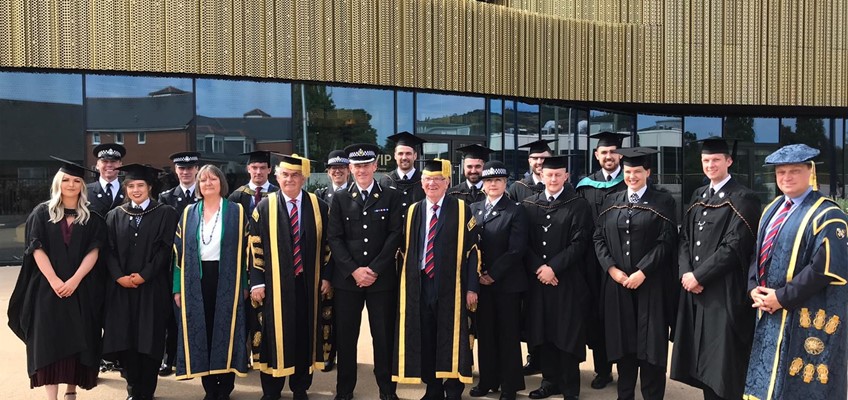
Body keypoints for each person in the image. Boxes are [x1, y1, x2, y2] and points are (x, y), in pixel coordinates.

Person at [743, 144, 848, 399]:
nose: (786, 177)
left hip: (806, 314)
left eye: (794, 171)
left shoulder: (828, 214)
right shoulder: (772, 209)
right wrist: (753, 287)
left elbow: (824, 269)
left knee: (802, 382)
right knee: (766, 381)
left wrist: (782, 298)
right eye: (781, 172)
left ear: (810, 172)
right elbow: (758, 254)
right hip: (769, 310)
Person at [670, 138, 760, 400]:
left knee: (722, 363)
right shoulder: (699, 195)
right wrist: (686, 274)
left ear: (728, 161)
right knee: (702, 362)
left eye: (716, 160)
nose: (710, 165)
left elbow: (735, 246)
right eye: (706, 160)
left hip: (724, 292)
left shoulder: (744, 198)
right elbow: (684, 238)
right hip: (695, 290)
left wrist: (699, 276)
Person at [8, 157, 105, 400]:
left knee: (77, 339)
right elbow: (36, 248)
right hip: (47, 291)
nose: (70, 185)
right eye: (66, 180)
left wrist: (74, 280)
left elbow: (94, 250)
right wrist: (54, 281)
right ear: (58, 183)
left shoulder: (91, 217)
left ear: (82, 186)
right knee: (48, 343)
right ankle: (52, 397)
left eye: (76, 181)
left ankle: (71, 392)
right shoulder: (41, 213)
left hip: (80, 290)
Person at [593, 147, 678, 400]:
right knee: (624, 346)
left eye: (637, 172)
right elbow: (598, 238)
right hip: (618, 286)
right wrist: (612, 269)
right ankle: (625, 395)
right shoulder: (611, 201)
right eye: (628, 172)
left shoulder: (663, 201)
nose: (632, 176)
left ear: (648, 172)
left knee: (651, 347)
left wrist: (643, 271)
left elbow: (667, 240)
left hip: (651, 286)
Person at [392, 159, 480, 400]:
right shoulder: (413, 211)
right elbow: (404, 250)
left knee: (451, 336)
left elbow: (473, 251)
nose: (432, 183)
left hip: (452, 285)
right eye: (428, 179)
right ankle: (432, 387)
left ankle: (453, 389)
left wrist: (472, 287)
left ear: (447, 183)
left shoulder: (462, 209)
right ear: (421, 183)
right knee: (427, 336)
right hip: (420, 284)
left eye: (438, 179)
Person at [249, 154, 330, 400]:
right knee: (274, 335)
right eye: (285, 175)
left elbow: (329, 245)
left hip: (308, 283)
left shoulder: (319, 206)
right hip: (274, 285)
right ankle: (271, 390)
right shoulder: (264, 206)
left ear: (303, 178)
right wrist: (257, 281)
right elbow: (254, 246)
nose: (290, 179)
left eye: (295, 175)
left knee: (304, 334)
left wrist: (326, 276)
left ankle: (300, 388)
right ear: (277, 176)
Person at [328, 144, 403, 400]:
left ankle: (386, 390)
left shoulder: (391, 196)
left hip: (381, 281)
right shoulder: (339, 197)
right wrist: (354, 270)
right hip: (348, 281)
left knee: (383, 338)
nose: (361, 170)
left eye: (365, 165)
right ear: (350, 168)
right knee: (346, 339)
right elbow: (334, 238)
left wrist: (373, 269)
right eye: (356, 166)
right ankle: (344, 390)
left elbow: (395, 235)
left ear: (375, 166)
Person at [173, 164, 249, 400]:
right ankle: (209, 386)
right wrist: (177, 287)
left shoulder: (236, 211)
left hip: (229, 278)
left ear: (221, 183)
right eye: (203, 180)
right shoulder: (188, 213)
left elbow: (247, 253)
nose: (208, 184)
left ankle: (225, 388)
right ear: (198, 185)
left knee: (227, 330)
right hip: (196, 279)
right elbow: (178, 253)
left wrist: (245, 284)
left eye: (212, 179)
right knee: (203, 330)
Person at [103, 164, 179, 400]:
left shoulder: (165, 213)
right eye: (131, 186)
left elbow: (165, 249)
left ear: (150, 187)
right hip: (122, 290)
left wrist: (145, 274)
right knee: (126, 340)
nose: (136, 190)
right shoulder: (115, 215)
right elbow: (108, 251)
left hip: (153, 288)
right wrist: (119, 277)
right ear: (126, 188)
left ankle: (147, 390)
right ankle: (133, 389)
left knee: (150, 339)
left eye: (140, 186)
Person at [522, 156, 593, 400]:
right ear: (541, 176)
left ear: (566, 177)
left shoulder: (578, 204)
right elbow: (524, 243)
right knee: (544, 333)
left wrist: (553, 268)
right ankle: (549, 381)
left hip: (567, 282)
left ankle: (570, 387)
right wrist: (539, 269)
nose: (553, 179)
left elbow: (580, 242)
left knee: (566, 335)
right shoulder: (530, 204)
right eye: (548, 175)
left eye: (558, 175)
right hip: (538, 282)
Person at [468, 160, 528, 400]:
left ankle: (509, 386)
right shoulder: (474, 209)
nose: (493, 184)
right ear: (483, 183)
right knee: (486, 334)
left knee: (507, 335)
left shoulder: (516, 210)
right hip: (481, 285)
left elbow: (516, 249)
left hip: (506, 284)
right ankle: (487, 381)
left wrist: (492, 274)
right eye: (489, 180)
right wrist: (477, 276)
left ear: (506, 183)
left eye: (498, 180)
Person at [575, 131, 629, 390]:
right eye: (603, 152)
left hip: (622, 262)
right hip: (592, 263)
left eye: (613, 152)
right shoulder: (586, 185)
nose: (608, 156)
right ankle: (603, 369)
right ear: (596, 156)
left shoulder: (628, 181)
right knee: (596, 316)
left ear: (620, 154)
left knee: (621, 316)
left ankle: (626, 371)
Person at [506, 138, 554, 376]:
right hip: (525, 262)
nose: (539, 162)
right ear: (529, 161)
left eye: (543, 158)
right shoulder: (517, 187)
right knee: (527, 314)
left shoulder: (558, 184)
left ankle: (548, 359)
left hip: (550, 263)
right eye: (535, 158)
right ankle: (533, 357)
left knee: (546, 313)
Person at [157, 151, 201, 377]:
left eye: (190, 168)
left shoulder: (206, 194)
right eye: (181, 168)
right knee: (172, 315)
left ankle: (194, 358)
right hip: (173, 261)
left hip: (201, 261)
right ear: (176, 171)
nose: (185, 172)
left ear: (196, 169)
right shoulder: (166, 197)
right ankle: (169, 358)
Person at [313, 149, 349, 372]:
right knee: (326, 313)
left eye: (342, 168)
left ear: (349, 170)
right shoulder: (319, 197)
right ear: (327, 172)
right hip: (326, 264)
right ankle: (327, 354)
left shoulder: (356, 194)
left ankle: (345, 356)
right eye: (333, 168)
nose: (337, 171)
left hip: (348, 266)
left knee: (344, 316)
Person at [378, 131, 427, 215]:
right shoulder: (384, 181)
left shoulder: (425, 181)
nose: (404, 157)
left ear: (415, 156)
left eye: (408, 153)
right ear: (395, 156)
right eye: (400, 154)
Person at [86, 143, 127, 216]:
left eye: (113, 161)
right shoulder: (85, 191)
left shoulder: (129, 191)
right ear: (97, 165)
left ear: (120, 165)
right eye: (105, 161)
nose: (109, 165)